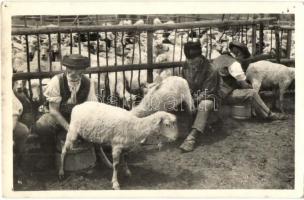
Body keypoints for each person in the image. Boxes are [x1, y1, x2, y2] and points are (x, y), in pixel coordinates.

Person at [35, 54, 98, 169]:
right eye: (71, 68)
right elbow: (53, 110)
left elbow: (91, 107)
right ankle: (47, 156)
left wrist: (84, 125)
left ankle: (96, 155)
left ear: (83, 70)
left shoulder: (88, 83)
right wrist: (69, 128)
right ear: (66, 68)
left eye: (78, 69)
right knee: (42, 124)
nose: (74, 72)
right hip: (59, 115)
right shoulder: (56, 81)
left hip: (80, 117)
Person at [212, 41, 287, 121]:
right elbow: (244, 85)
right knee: (252, 93)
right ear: (239, 54)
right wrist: (253, 87)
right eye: (243, 58)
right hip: (223, 95)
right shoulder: (235, 64)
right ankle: (270, 115)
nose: (242, 61)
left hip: (212, 93)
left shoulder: (219, 59)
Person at [179, 41, 220, 153]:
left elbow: (208, 91)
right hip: (192, 96)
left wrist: (193, 100)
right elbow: (184, 84)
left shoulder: (211, 69)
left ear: (200, 57)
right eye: (189, 61)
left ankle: (192, 137)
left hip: (210, 97)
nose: (192, 64)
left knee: (204, 104)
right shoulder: (186, 66)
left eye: (194, 61)